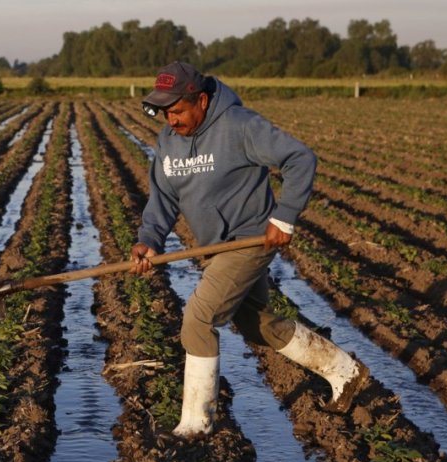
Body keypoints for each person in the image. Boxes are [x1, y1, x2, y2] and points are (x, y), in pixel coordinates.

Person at [130, 61, 370, 438]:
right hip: (216, 246)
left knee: (198, 319)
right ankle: (344, 370)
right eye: (165, 112)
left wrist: (284, 216)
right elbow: (162, 199)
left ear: (202, 100)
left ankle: (197, 424)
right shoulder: (167, 141)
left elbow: (300, 158)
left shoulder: (239, 125)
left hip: (249, 240)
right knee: (257, 326)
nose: (170, 120)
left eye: (177, 111)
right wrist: (148, 241)